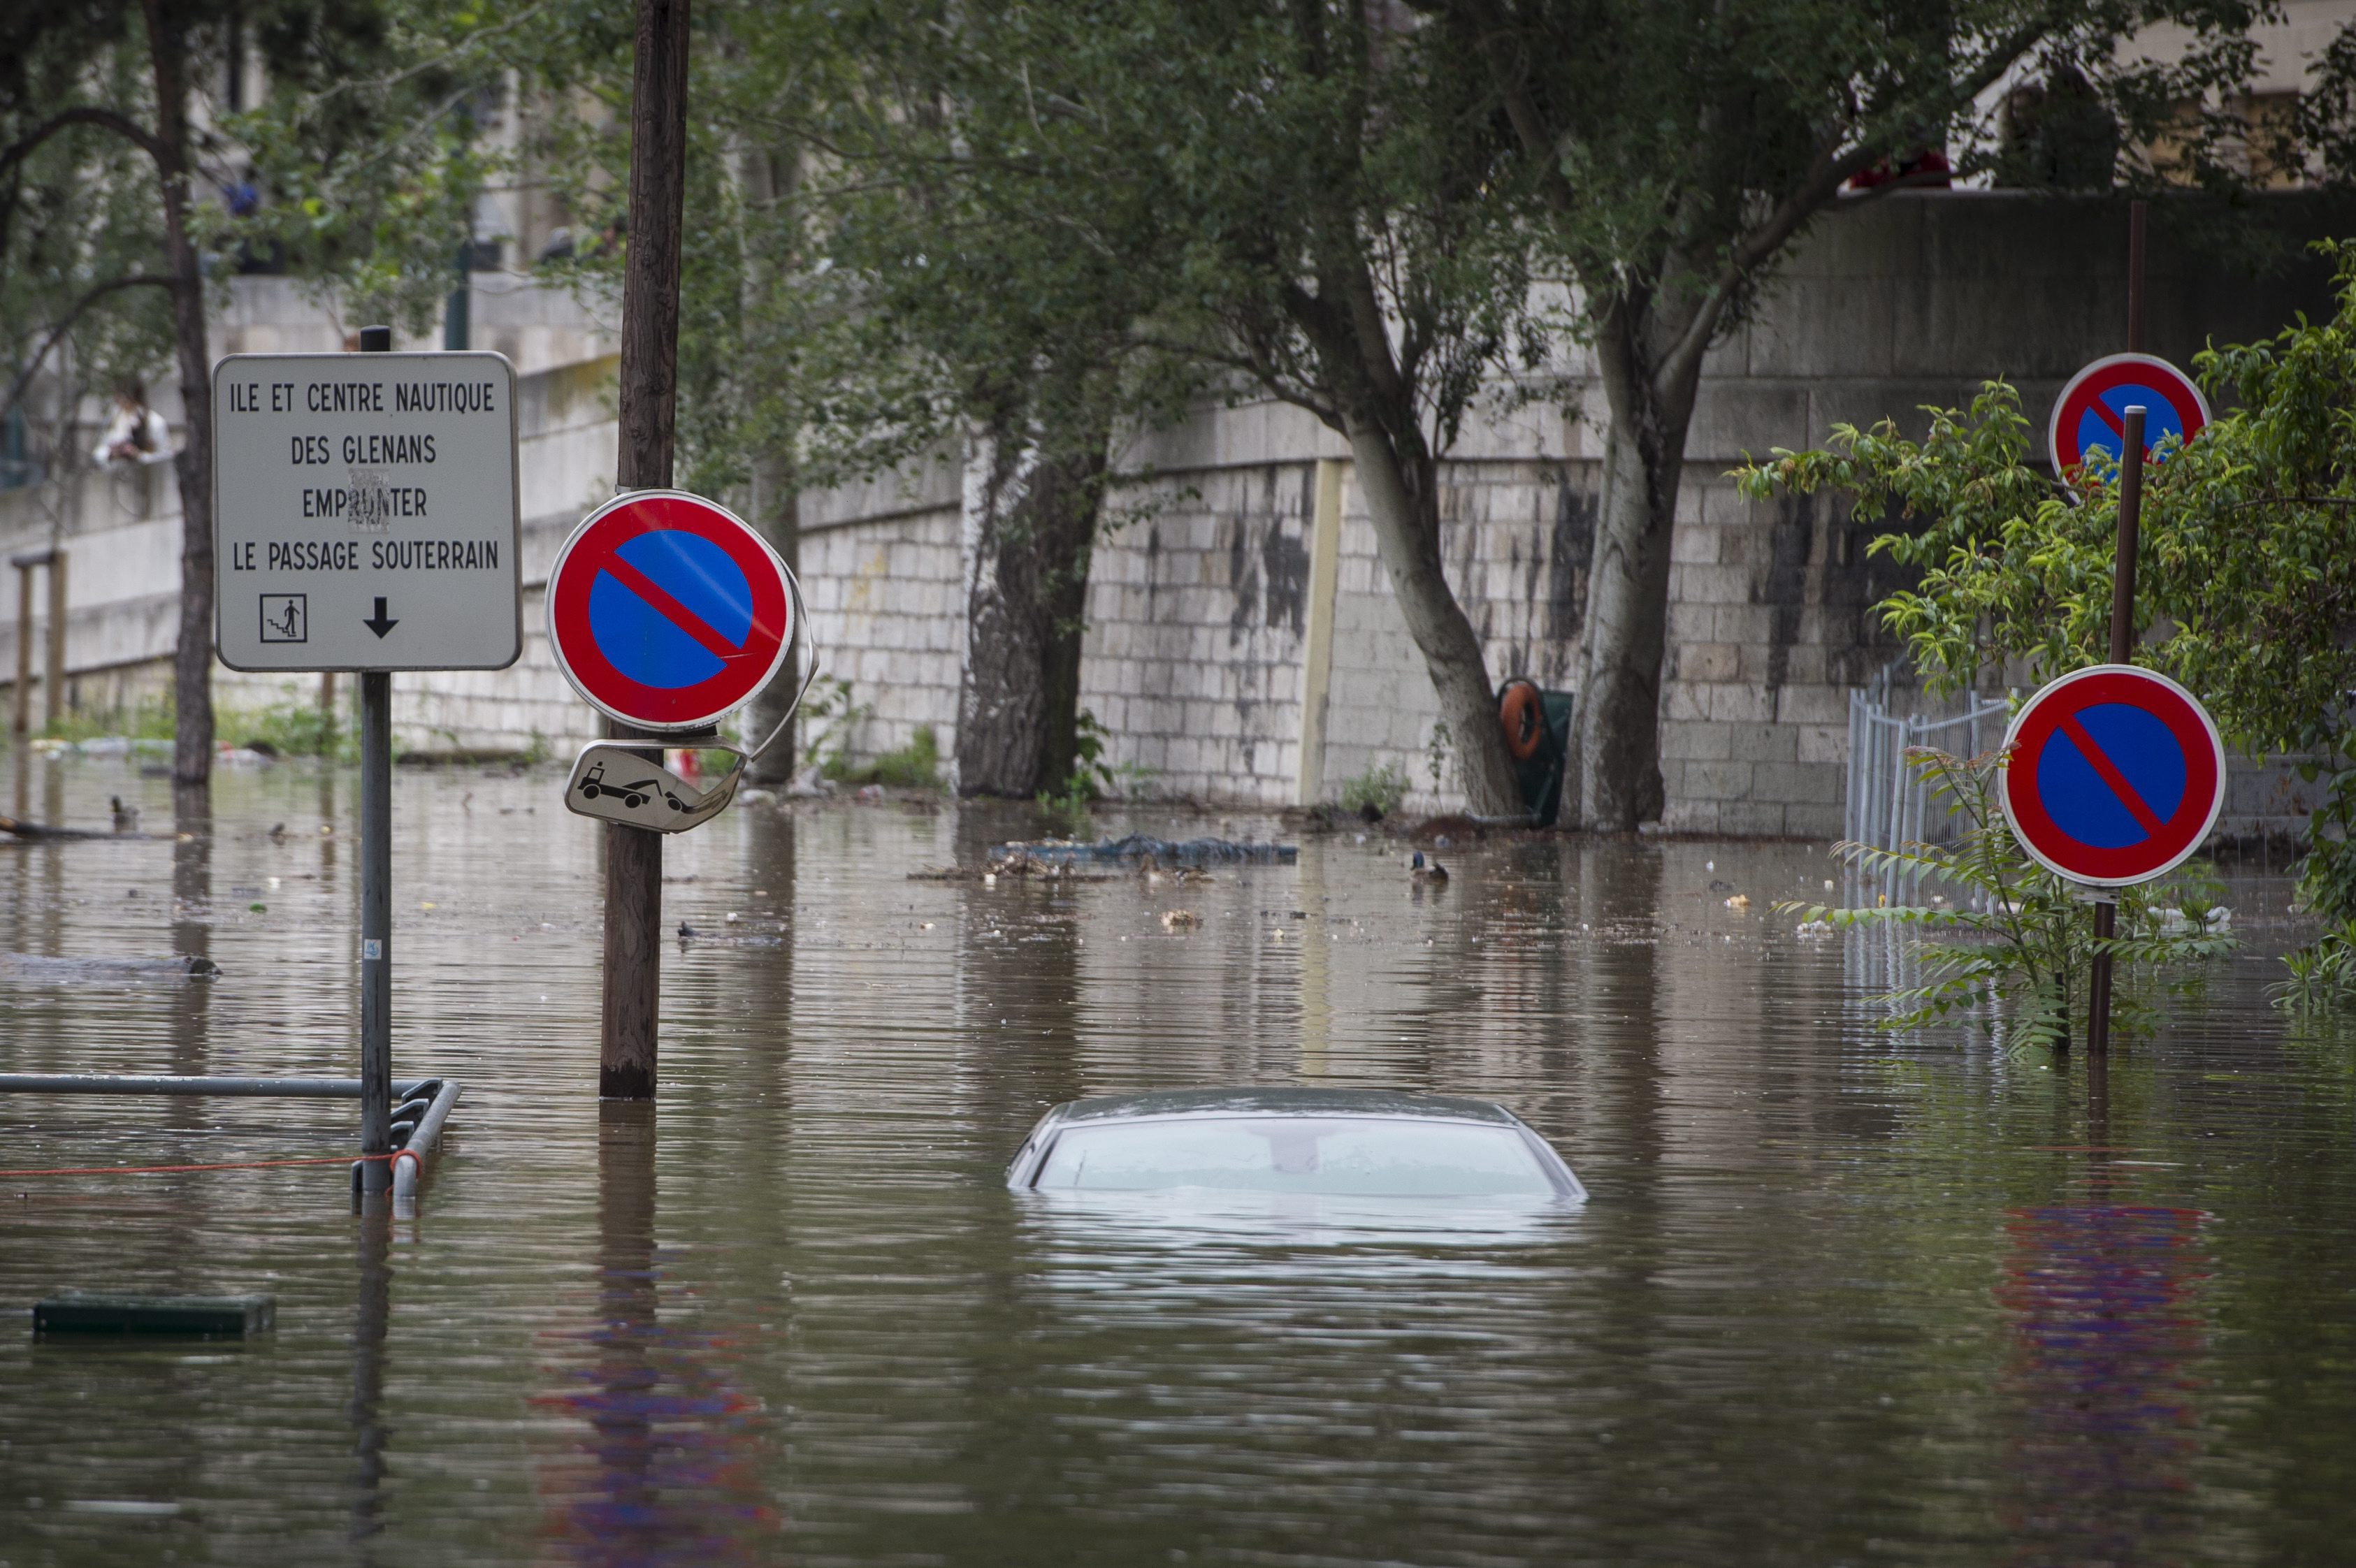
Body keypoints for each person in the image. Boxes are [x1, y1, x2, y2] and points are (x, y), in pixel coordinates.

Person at [91, 382, 170, 468]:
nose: (120, 404)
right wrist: (111, 453)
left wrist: (139, 455)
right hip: (115, 475)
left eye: (124, 400)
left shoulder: (155, 423)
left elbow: (164, 458)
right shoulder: (114, 416)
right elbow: (99, 452)